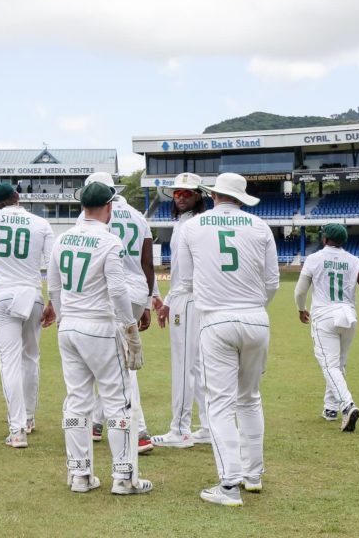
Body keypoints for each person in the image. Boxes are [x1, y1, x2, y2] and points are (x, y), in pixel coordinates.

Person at [175, 172, 279, 507]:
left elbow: (187, 280)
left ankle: (229, 485)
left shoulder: (193, 227)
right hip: (255, 318)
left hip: (216, 319)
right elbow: (272, 281)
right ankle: (254, 475)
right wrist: (251, 306)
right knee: (250, 398)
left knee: (219, 404)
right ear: (240, 197)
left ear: (214, 195)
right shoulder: (260, 226)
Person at [47, 180, 152, 495]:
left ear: (83, 208)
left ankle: (80, 475)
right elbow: (118, 290)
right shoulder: (109, 241)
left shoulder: (62, 239)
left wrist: (65, 316)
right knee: (118, 401)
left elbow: (53, 287)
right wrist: (130, 328)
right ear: (109, 208)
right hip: (101, 327)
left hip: (69, 328)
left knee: (77, 401)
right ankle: (124, 478)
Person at [79, 172, 161, 454]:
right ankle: (98, 423)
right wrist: (148, 302)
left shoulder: (89, 217)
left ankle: (138, 431)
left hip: (109, 296)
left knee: (120, 363)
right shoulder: (139, 216)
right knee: (111, 358)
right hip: (138, 291)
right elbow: (148, 264)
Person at [0, 182, 55, 448]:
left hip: (3, 295)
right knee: (31, 358)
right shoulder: (41, 223)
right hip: (31, 293)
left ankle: (17, 430)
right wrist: (53, 302)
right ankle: (30, 418)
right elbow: (52, 265)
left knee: (9, 362)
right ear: (18, 197)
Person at [294, 223, 359, 433]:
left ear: (324, 239)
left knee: (329, 365)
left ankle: (347, 405)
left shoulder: (314, 259)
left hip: (324, 316)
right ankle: (330, 408)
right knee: (339, 365)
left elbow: (300, 290)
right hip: (348, 316)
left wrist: (301, 308)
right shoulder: (354, 260)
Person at [152, 173, 210, 448]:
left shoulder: (188, 226)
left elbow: (184, 277)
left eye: (187, 193)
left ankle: (180, 431)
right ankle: (208, 426)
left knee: (185, 366)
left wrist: (167, 302)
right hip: (200, 299)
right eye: (177, 193)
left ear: (199, 195)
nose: (181, 196)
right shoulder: (199, 223)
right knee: (197, 366)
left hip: (187, 299)